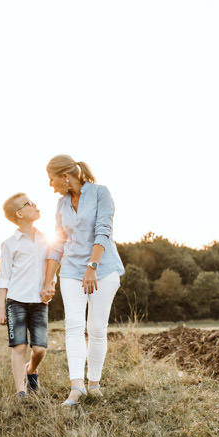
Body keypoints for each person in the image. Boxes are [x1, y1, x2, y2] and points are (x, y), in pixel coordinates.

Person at [41, 154, 125, 406]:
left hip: (103, 269)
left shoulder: (100, 193)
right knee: (74, 326)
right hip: (71, 270)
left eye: (51, 179)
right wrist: (49, 281)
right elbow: (56, 245)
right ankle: (76, 387)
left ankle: (94, 384)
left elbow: (103, 230)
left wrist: (92, 267)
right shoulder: (61, 205)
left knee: (97, 329)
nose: (50, 185)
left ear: (66, 177)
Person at [0, 192, 49, 399]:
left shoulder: (47, 239)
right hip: (16, 301)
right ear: (19, 213)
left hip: (40, 302)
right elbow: (3, 278)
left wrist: (50, 284)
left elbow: (52, 266)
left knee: (39, 349)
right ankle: (21, 390)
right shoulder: (9, 243)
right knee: (19, 346)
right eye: (30, 203)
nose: (36, 205)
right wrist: (1, 307)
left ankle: (32, 369)